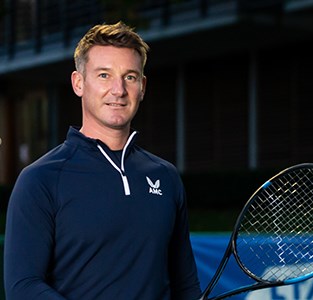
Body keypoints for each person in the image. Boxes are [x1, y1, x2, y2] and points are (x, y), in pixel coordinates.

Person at [4, 22, 202, 299]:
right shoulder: (40, 179)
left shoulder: (166, 177)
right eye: (104, 75)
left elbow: (186, 286)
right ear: (79, 83)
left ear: (142, 87)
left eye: (130, 77)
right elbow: (23, 286)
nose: (118, 90)